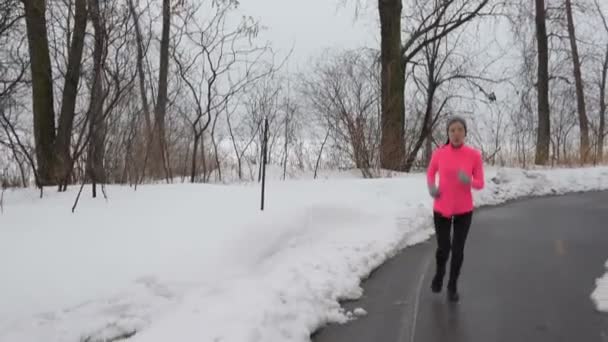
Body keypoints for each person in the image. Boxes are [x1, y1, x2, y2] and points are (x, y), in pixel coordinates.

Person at [426, 116, 485, 302]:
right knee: (444, 248)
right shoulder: (439, 153)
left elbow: (480, 183)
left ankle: (452, 285)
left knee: (458, 250)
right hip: (441, 207)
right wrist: (432, 188)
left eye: (460, 129)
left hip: (464, 210)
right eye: (452, 130)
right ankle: (439, 273)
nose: (456, 133)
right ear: (448, 133)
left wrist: (469, 181)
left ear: (465, 133)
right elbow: (430, 172)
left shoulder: (474, 155)